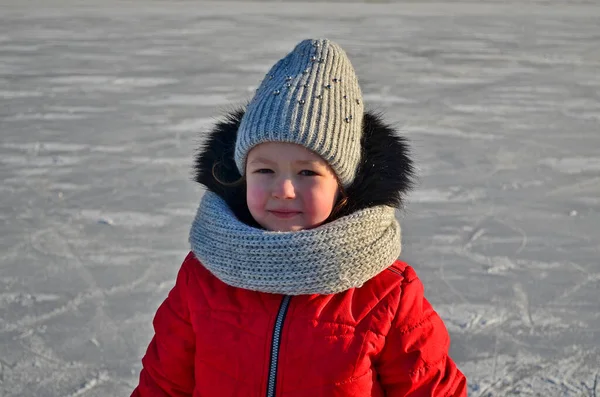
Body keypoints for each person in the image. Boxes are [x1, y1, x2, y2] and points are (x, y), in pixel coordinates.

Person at [132, 39, 467, 397]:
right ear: (242, 174)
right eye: (264, 171)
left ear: (342, 186)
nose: (284, 189)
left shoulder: (385, 291)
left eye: (307, 173)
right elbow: (164, 385)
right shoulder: (203, 275)